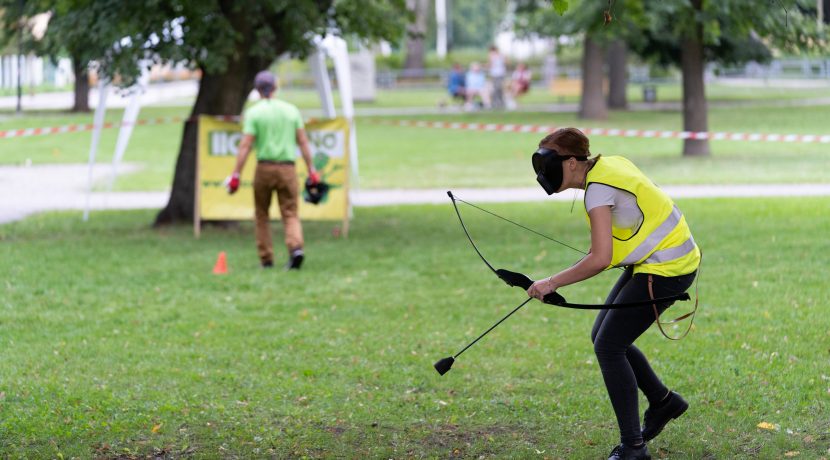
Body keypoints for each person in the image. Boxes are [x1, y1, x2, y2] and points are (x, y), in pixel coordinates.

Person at [525, 128, 700, 460]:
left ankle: (633, 447)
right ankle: (664, 403)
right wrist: (557, 280)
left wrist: (552, 282)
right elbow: (606, 246)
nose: (543, 171)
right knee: (602, 337)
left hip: (667, 268)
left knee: (609, 345)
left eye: (549, 161)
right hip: (658, 261)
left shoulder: (597, 191)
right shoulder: (609, 165)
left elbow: (600, 259)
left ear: (573, 162)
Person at [226, 70, 319, 270]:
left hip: (264, 168)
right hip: (288, 168)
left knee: (261, 214)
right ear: (275, 88)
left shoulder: (254, 112)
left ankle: (266, 258)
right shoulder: (291, 110)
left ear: (257, 89)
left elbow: (245, 146)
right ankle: (295, 249)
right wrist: (312, 169)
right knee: (290, 212)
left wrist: (236, 174)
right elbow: (303, 142)